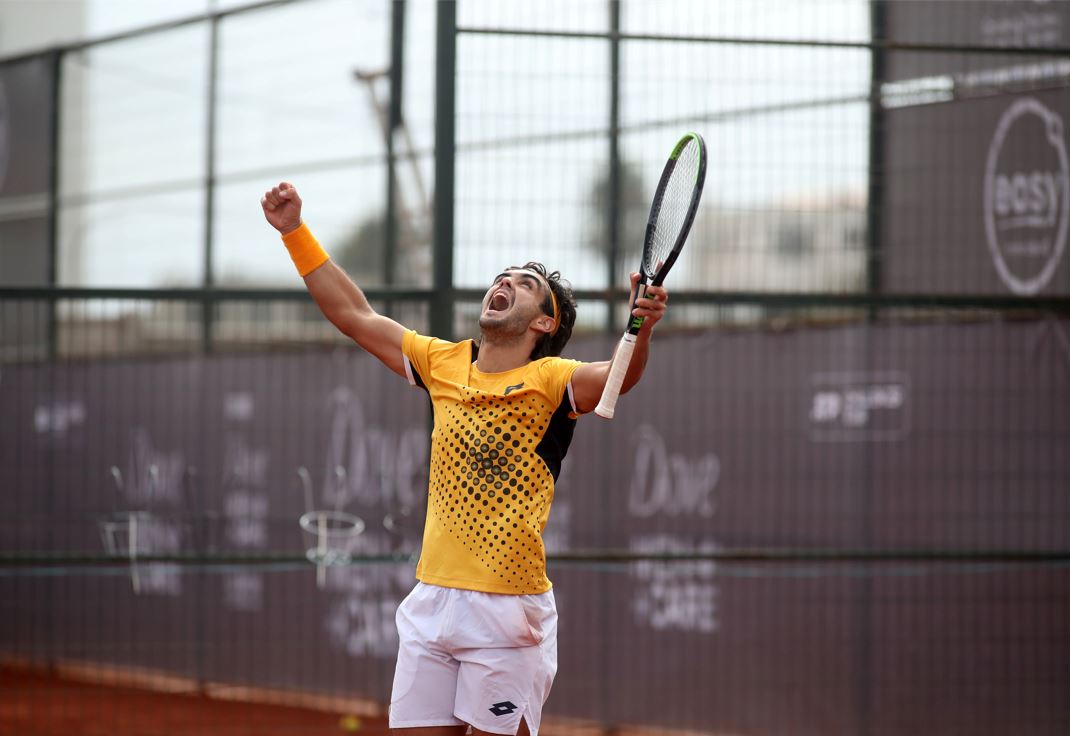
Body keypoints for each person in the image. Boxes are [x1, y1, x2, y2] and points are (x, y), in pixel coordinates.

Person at [261, 182, 669, 736]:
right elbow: (354, 315)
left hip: (508, 613)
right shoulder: (443, 362)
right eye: (503, 277)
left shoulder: (550, 380)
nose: (505, 283)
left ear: (544, 324)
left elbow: (622, 376)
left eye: (525, 286)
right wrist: (294, 233)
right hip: (431, 601)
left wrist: (638, 327)